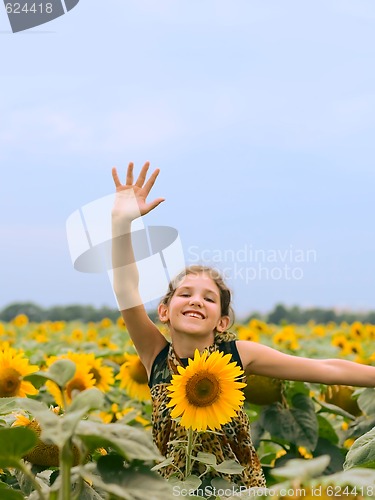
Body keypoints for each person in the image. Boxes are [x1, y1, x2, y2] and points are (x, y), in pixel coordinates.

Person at [111, 162, 375, 488]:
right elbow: (125, 288)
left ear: (221, 321)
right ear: (164, 310)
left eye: (208, 299)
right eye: (185, 294)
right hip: (175, 490)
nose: (196, 301)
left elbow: (324, 369)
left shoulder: (237, 355)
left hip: (241, 492)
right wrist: (120, 224)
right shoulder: (155, 355)